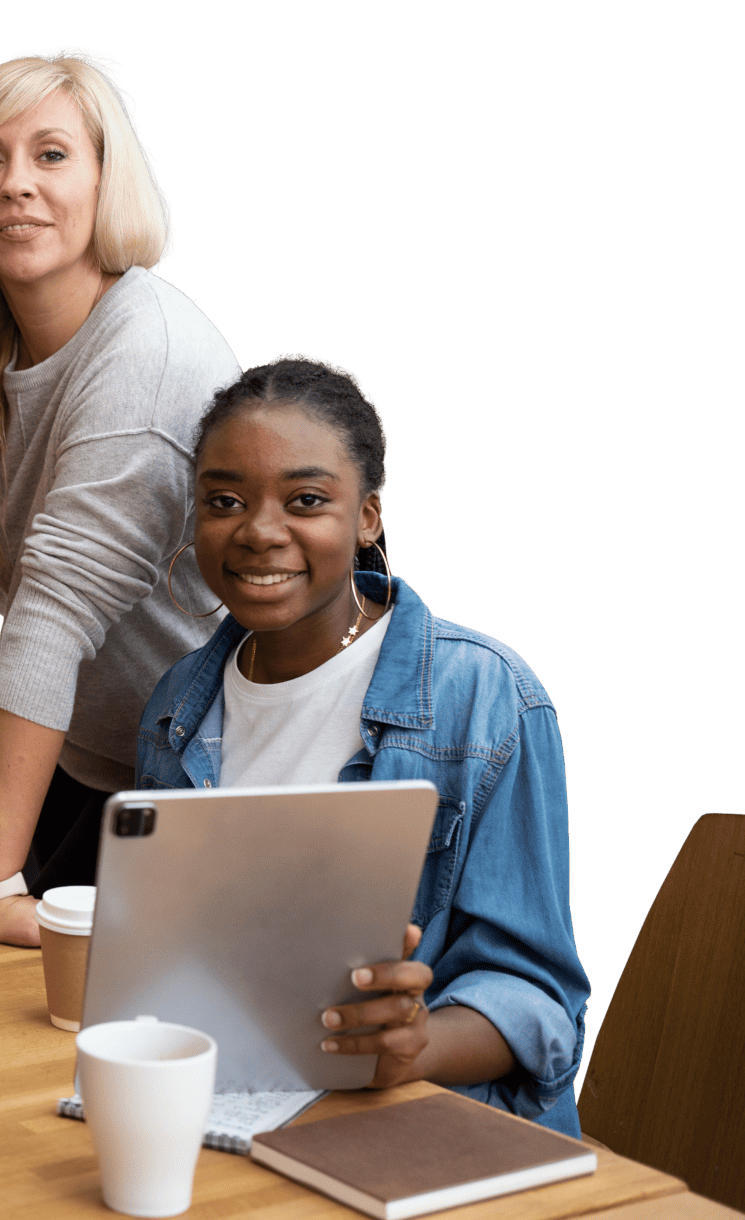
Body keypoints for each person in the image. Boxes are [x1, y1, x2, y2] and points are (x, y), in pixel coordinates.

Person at [136, 352, 591, 1133]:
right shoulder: (177, 705)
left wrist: (419, 1047)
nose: (258, 531)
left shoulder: (485, 699)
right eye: (224, 501)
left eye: (306, 499)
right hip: (232, 1110)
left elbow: (541, 1002)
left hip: (428, 1130)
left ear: (368, 516)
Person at [0, 46, 238, 945]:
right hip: (82, 768)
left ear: (107, 178)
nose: (15, 186)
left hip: (197, 788)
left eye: (52, 154)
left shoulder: (144, 355)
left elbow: (50, 619)